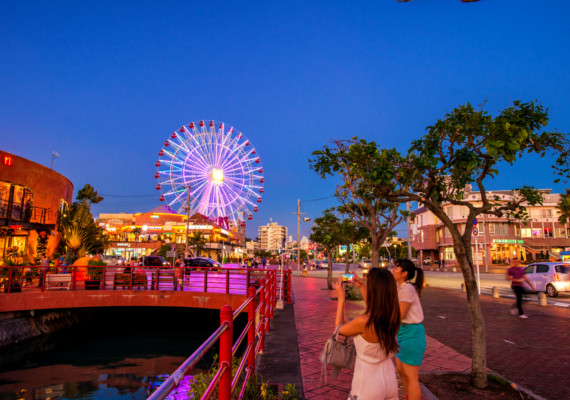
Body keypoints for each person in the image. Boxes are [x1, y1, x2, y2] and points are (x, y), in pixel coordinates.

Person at [334, 268, 401, 400]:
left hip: (368, 383)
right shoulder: (393, 315)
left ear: (374, 291)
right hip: (389, 379)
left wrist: (341, 299)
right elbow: (375, 308)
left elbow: (338, 330)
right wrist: (362, 286)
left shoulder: (364, 322)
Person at [391, 258, 426, 400]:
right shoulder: (399, 287)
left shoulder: (407, 289)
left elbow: (400, 315)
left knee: (411, 376)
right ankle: (408, 396)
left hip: (412, 334)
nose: (393, 270)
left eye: (396, 268)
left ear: (404, 273)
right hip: (403, 332)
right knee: (401, 370)